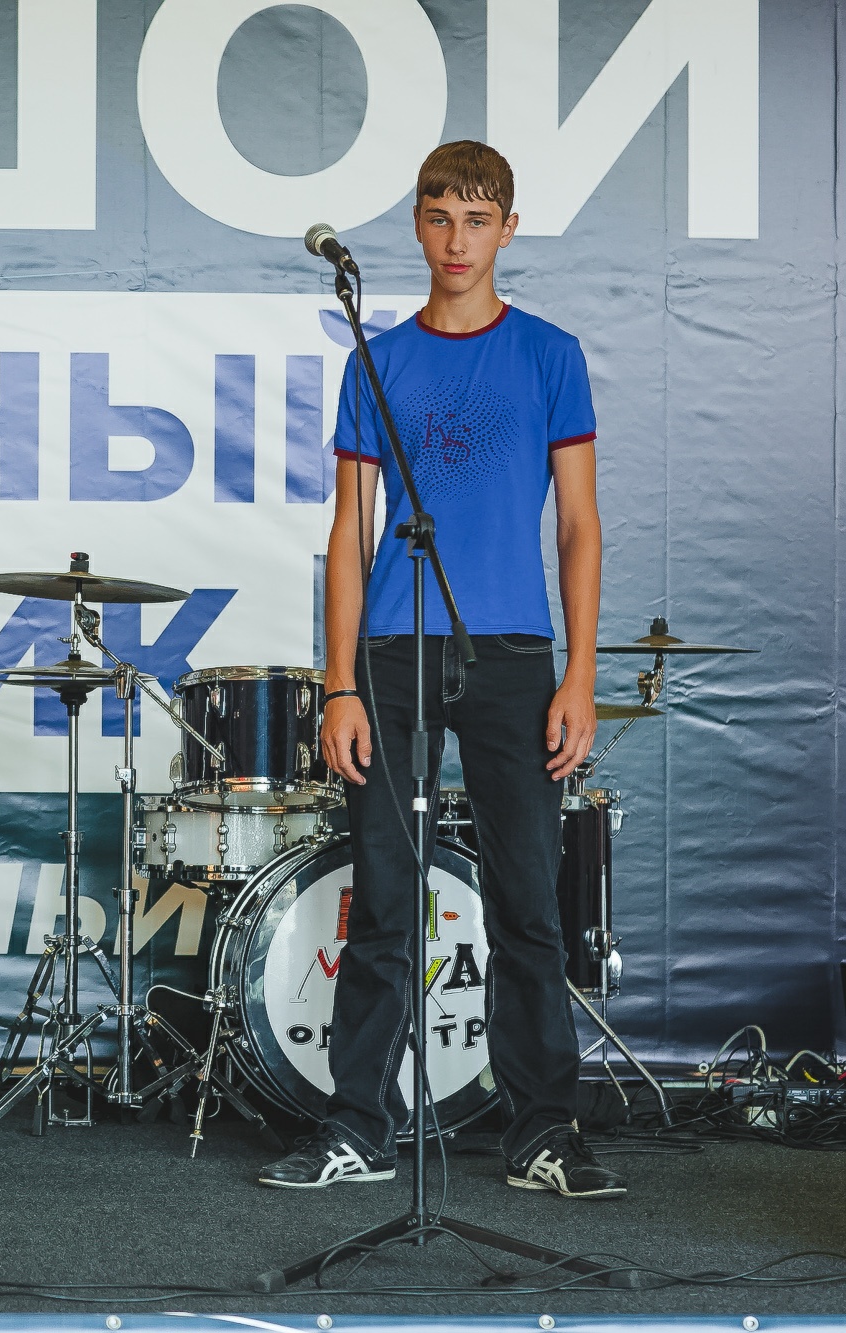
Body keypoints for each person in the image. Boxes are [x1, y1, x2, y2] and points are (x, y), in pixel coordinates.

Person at [257, 142, 624, 1199]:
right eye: (437, 216)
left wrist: (578, 674)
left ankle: (542, 1131)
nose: (455, 239)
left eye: (476, 218)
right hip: (388, 653)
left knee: (527, 905)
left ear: (506, 228)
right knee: (382, 897)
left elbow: (578, 525)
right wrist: (336, 683)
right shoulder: (376, 363)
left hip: (512, 654)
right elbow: (347, 530)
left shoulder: (550, 354)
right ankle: (357, 1128)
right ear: (416, 226)